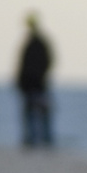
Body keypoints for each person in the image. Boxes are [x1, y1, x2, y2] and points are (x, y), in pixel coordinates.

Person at [15, 11, 55, 148]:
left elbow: (47, 62)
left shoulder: (37, 43)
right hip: (32, 85)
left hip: (37, 84)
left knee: (39, 113)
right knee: (34, 113)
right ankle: (36, 139)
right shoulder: (33, 42)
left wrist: (37, 77)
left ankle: (42, 139)